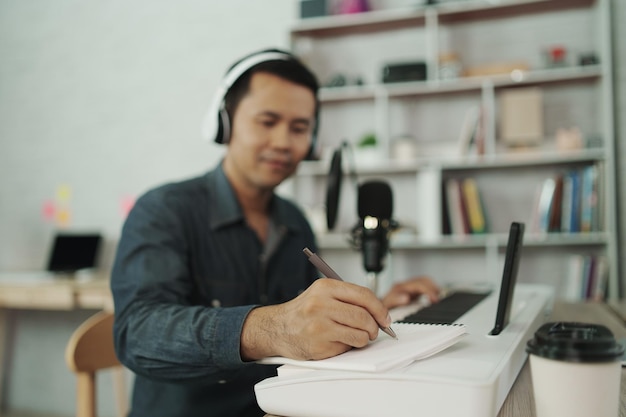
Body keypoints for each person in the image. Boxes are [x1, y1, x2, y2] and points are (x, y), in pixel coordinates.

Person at [111, 48, 440, 417]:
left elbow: (304, 316)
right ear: (226, 122)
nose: (284, 142)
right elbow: (137, 333)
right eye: (267, 121)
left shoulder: (294, 220)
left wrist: (371, 308)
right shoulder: (163, 210)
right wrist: (273, 329)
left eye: (299, 128)